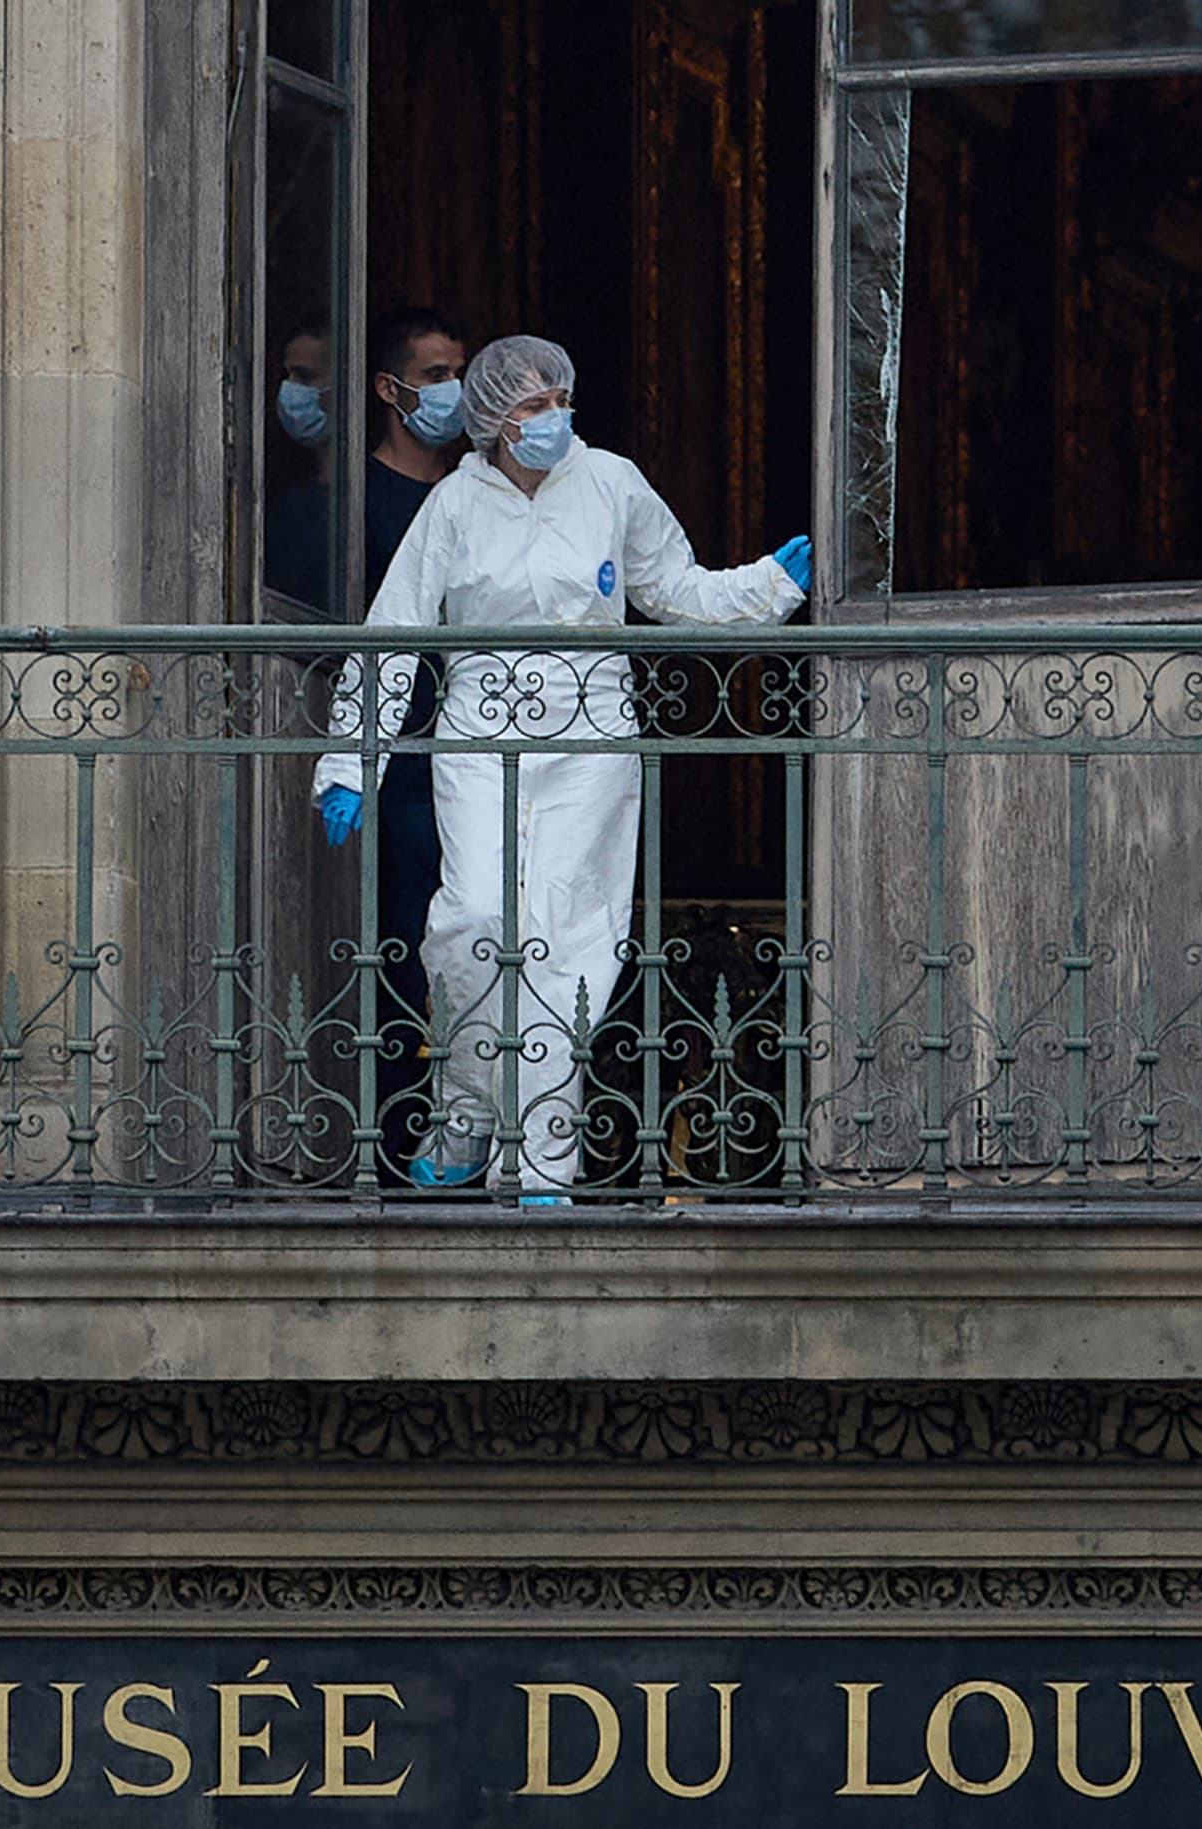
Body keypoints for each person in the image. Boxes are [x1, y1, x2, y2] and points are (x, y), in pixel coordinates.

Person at [312, 334, 812, 1202]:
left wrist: (766, 587)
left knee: (567, 943)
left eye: (558, 400)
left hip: (590, 736)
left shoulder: (610, 481)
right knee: (471, 921)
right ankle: (466, 1119)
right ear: (491, 417)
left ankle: (540, 1158)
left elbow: (674, 590)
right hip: (479, 733)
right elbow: (395, 629)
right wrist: (353, 759)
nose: (551, 418)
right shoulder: (456, 503)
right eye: (531, 405)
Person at [356, 308, 468, 1176]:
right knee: (400, 952)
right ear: (391, 390)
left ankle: (478, 1143)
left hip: (474, 752)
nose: (453, 392)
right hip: (396, 765)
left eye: (459, 372)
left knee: (482, 948)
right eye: (435, 376)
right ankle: (393, 1145)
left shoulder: (478, 494)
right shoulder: (351, 504)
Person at [265, 319, 334, 611]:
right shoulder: (287, 501)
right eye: (288, 376)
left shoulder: (369, 499)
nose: (291, 390)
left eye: (305, 377)